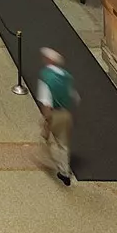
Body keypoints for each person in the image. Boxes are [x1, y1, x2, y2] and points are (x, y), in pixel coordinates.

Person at [36, 47, 75, 185]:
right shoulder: (66, 76)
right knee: (63, 144)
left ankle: (50, 161)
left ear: (48, 60)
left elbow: (46, 101)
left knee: (47, 139)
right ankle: (65, 171)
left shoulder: (46, 77)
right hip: (66, 112)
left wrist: (46, 119)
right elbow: (73, 96)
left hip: (53, 114)